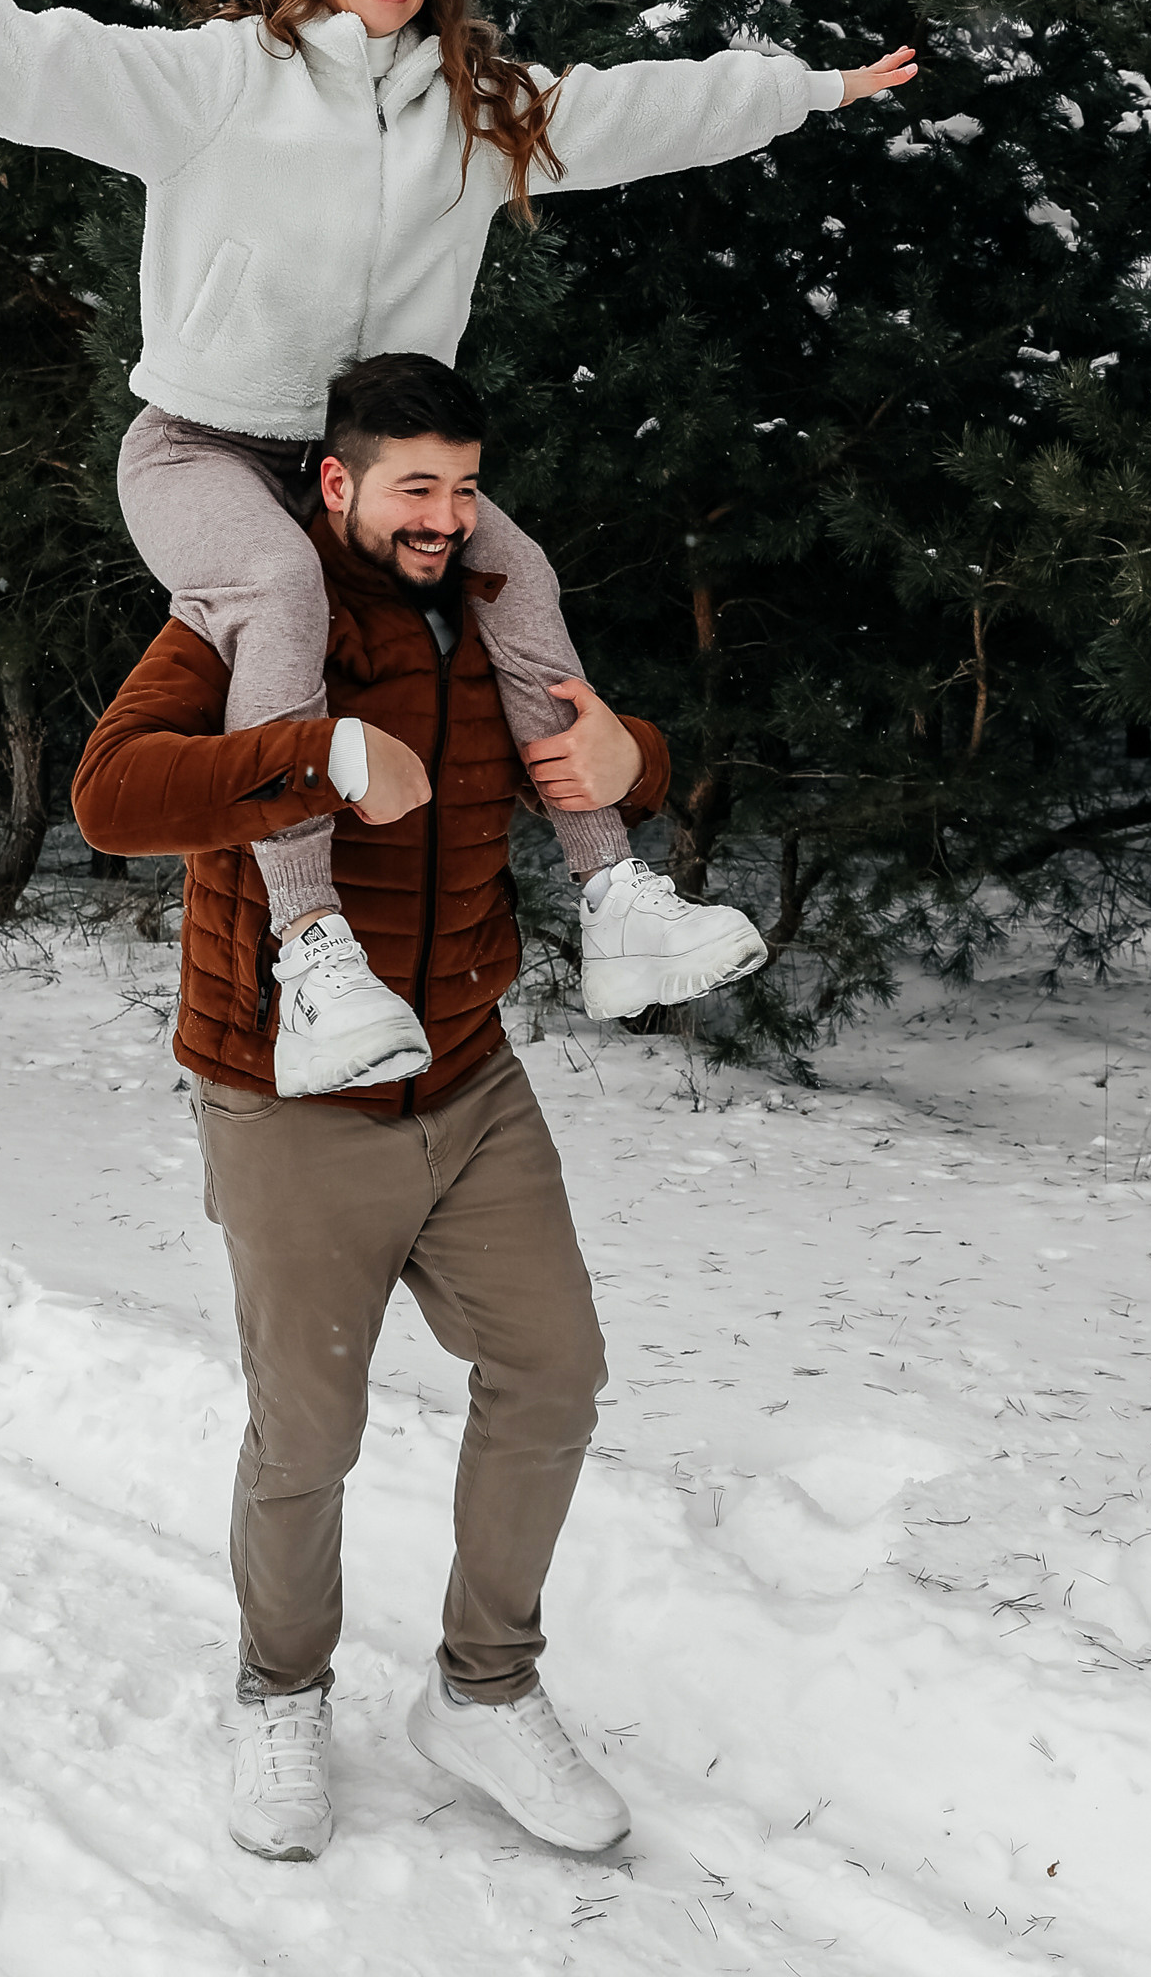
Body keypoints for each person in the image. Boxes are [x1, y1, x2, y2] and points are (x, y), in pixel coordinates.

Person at [0, 0, 915, 1091]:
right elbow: (30, 58)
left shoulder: (476, 111)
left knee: (511, 568)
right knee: (277, 586)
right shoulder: (218, 81)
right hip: (202, 443)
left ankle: (617, 901)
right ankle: (312, 953)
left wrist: (811, 90)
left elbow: (639, 109)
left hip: (369, 464)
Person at [72, 349, 699, 1862]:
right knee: (311, 1434)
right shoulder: (238, 608)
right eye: (416, 488)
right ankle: (280, 1693)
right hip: (290, 1096)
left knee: (554, 1373)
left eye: (467, 486)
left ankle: (487, 1690)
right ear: (337, 483)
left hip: (469, 1075)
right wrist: (314, 755)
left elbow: (594, 760)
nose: (447, 517)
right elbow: (113, 795)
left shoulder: (489, 599)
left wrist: (643, 761)